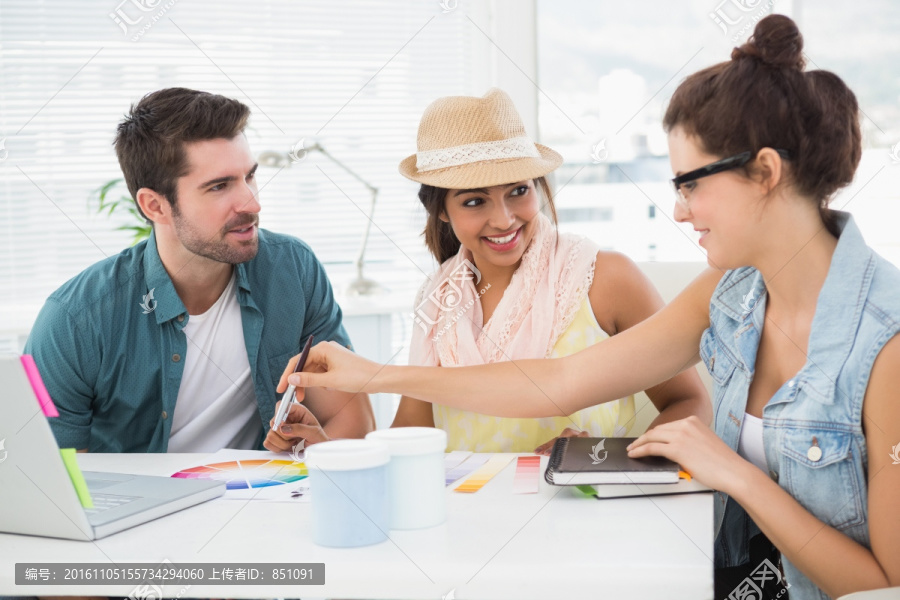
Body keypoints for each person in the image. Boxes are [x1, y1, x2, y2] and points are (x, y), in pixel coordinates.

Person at [279, 16, 900, 598]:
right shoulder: (731, 295)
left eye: (690, 184)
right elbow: (561, 383)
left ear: (764, 172)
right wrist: (371, 380)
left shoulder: (886, 341)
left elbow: (882, 583)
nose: (679, 211)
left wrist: (734, 472)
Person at [24, 87, 374, 454]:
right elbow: (51, 479)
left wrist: (310, 452)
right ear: (155, 206)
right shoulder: (75, 320)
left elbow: (352, 420)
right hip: (145, 509)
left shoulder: (292, 269)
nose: (252, 202)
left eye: (249, 177)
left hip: (260, 498)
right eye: (219, 186)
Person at [392, 88, 709, 453]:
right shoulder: (437, 301)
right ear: (441, 211)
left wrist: (605, 462)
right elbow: (409, 435)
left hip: (584, 506)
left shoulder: (605, 279)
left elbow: (689, 404)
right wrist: (329, 447)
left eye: (518, 191)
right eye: (475, 201)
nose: (504, 219)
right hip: (470, 508)